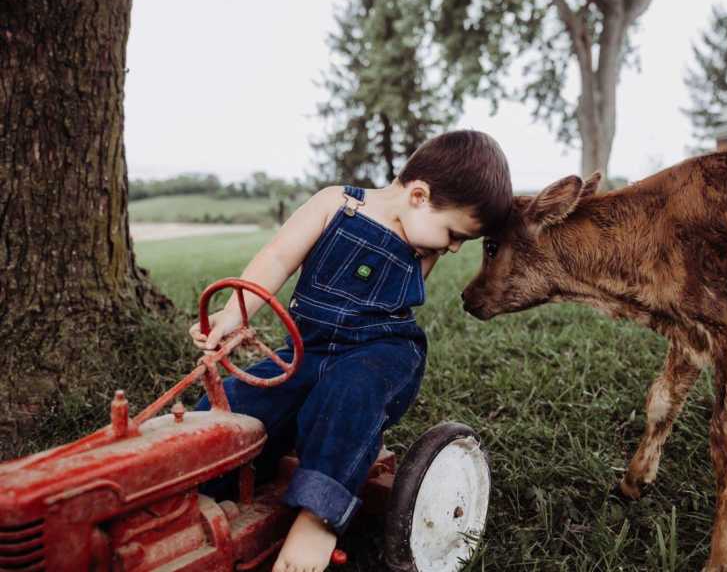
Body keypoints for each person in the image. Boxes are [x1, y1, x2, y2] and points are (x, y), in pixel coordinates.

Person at [188, 130, 513, 572]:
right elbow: (279, 256)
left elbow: (397, 292)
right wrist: (235, 311)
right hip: (308, 352)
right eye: (455, 233)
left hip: (381, 352)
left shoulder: (422, 241)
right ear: (418, 194)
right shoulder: (334, 205)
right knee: (233, 400)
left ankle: (317, 517)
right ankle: (205, 487)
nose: (454, 247)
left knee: (348, 394)